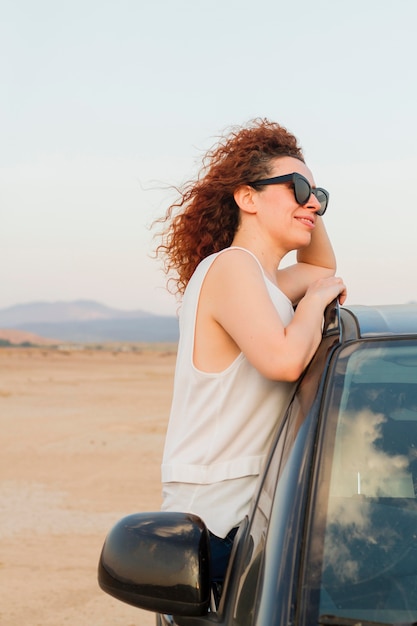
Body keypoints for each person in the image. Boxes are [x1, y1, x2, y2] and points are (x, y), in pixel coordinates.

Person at [155, 118, 347, 594]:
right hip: (213, 531)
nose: (312, 201)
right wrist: (317, 303)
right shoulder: (230, 266)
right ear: (247, 197)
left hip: (251, 525)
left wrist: (305, 202)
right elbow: (284, 360)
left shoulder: (268, 287)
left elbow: (321, 267)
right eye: (297, 186)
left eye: (319, 194)